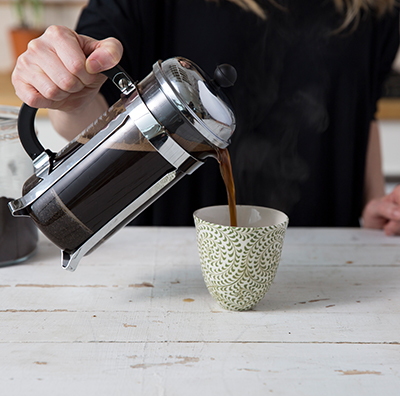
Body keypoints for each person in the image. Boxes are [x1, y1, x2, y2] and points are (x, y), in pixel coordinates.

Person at [11, 0, 400, 234]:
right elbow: (93, 111)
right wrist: (71, 90)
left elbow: (360, 115)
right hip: (171, 269)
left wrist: (372, 208)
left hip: (332, 271)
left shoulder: (374, 7)